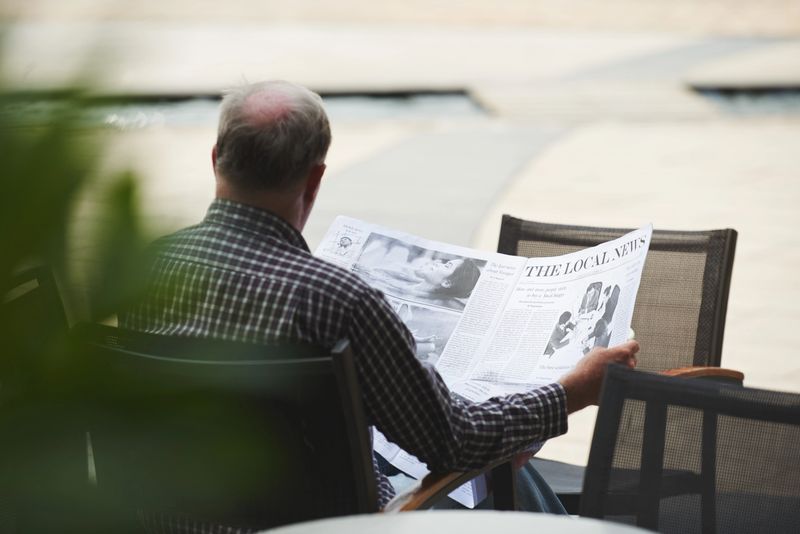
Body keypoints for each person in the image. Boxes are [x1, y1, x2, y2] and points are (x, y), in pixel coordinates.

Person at [121, 80, 639, 514]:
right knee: (508, 476)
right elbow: (452, 441)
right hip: (329, 524)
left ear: (216, 159)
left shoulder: (144, 270)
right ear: (315, 178)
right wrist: (574, 390)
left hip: (172, 517)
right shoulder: (336, 301)